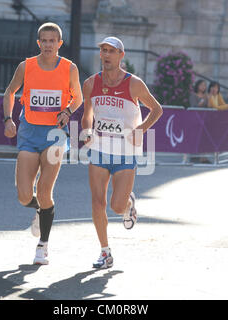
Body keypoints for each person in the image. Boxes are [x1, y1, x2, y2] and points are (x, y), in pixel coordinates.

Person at [3, 22, 83, 265]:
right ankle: (41, 210)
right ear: (39, 43)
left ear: (60, 43)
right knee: (24, 196)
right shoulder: (25, 66)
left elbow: (78, 97)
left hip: (55, 135)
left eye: (53, 41)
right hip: (28, 132)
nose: (48, 45)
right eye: (44, 41)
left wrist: (68, 111)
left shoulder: (69, 68)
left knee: (46, 190)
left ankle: (43, 245)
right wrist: (8, 119)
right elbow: (9, 92)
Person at [81, 36, 163, 269]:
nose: (106, 55)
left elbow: (157, 109)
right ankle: (105, 252)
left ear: (120, 56)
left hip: (126, 152)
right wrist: (87, 129)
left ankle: (128, 205)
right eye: (103, 51)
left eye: (111, 51)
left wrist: (142, 128)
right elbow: (87, 114)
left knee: (116, 206)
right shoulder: (90, 84)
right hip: (99, 149)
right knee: (98, 203)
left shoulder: (134, 83)